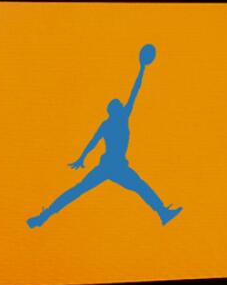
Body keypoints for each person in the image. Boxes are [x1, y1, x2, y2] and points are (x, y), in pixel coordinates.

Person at [27, 43, 181, 228]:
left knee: (80, 191)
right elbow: (133, 93)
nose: (121, 105)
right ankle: (163, 213)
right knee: (138, 187)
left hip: (112, 165)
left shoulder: (111, 122)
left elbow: (133, 92)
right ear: (113, 110)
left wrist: (82, 158)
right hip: (112, 166)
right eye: (118, 105)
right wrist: (141, 68)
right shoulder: (119, 119)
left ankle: (42, 218)